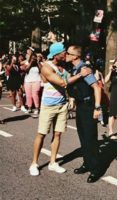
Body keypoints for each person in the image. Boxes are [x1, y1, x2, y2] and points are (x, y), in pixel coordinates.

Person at [28, 43, 90, 177]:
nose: (66, 54)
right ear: (57, 54)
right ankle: (34, 163)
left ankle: (53, 162)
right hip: (48, 106)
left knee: (57, 134)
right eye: (64, 52)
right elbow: (63, 82)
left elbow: (67, 78)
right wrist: (80, 75)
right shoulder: (46, 67)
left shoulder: (62, 67)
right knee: (41, 134)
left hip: (62, 105)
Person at [66, 45, 102, 183]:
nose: (66, 55)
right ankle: (87, 163)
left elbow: (96, 88)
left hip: (88, 107)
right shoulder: (76, 69)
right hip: (81, 106)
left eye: (69, 53)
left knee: (90, 139)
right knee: (83, 137)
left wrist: (97, 108)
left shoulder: (84, 69)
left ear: (75, 56)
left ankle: (95, 169)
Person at [21, 50, 42, 117]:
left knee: (35, 94)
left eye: (34, 58)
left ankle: (37, 108)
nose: (33, 59)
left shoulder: (38, 64)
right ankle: (29, 108)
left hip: (37, 80)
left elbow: (41, 70)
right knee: (28, 95)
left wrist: (38, 62)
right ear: (30, 58)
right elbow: (26, 70)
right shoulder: (27, 63)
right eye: (32, 58)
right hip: (27, 81)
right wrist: (30, 63)